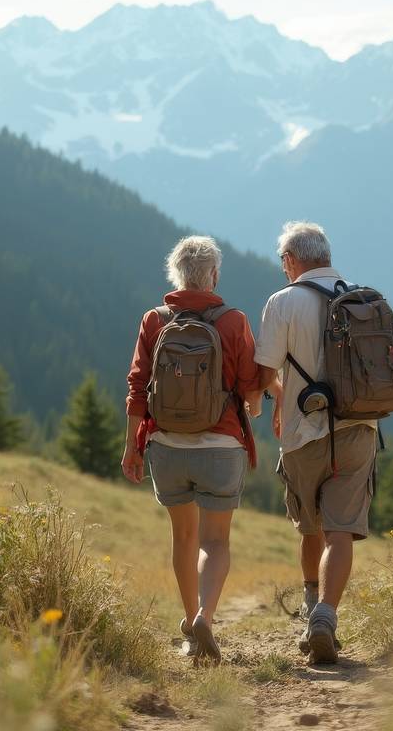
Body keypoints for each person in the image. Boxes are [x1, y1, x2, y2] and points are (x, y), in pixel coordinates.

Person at [121, 235, 262, 664]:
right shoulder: (234, 321)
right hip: (221, 446)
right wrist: (254, 407)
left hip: (166, 445)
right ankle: (205, 615)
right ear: (214, 275)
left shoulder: (155, 319)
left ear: (176, 275)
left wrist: (132, 448)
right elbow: (250, 385)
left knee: (182, 536)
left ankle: (189, 627)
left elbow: (137, 388)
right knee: (215, 541)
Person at [254, 222, 378, 664]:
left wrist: (272, 398)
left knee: (311, 526)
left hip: (303, 432)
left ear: (291, 260)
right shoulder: (362, 298)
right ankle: (325, 615)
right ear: (325, 256)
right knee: (340, 529)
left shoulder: (283, 302)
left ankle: (312, 607)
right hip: (360, 428)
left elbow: (264, 371)